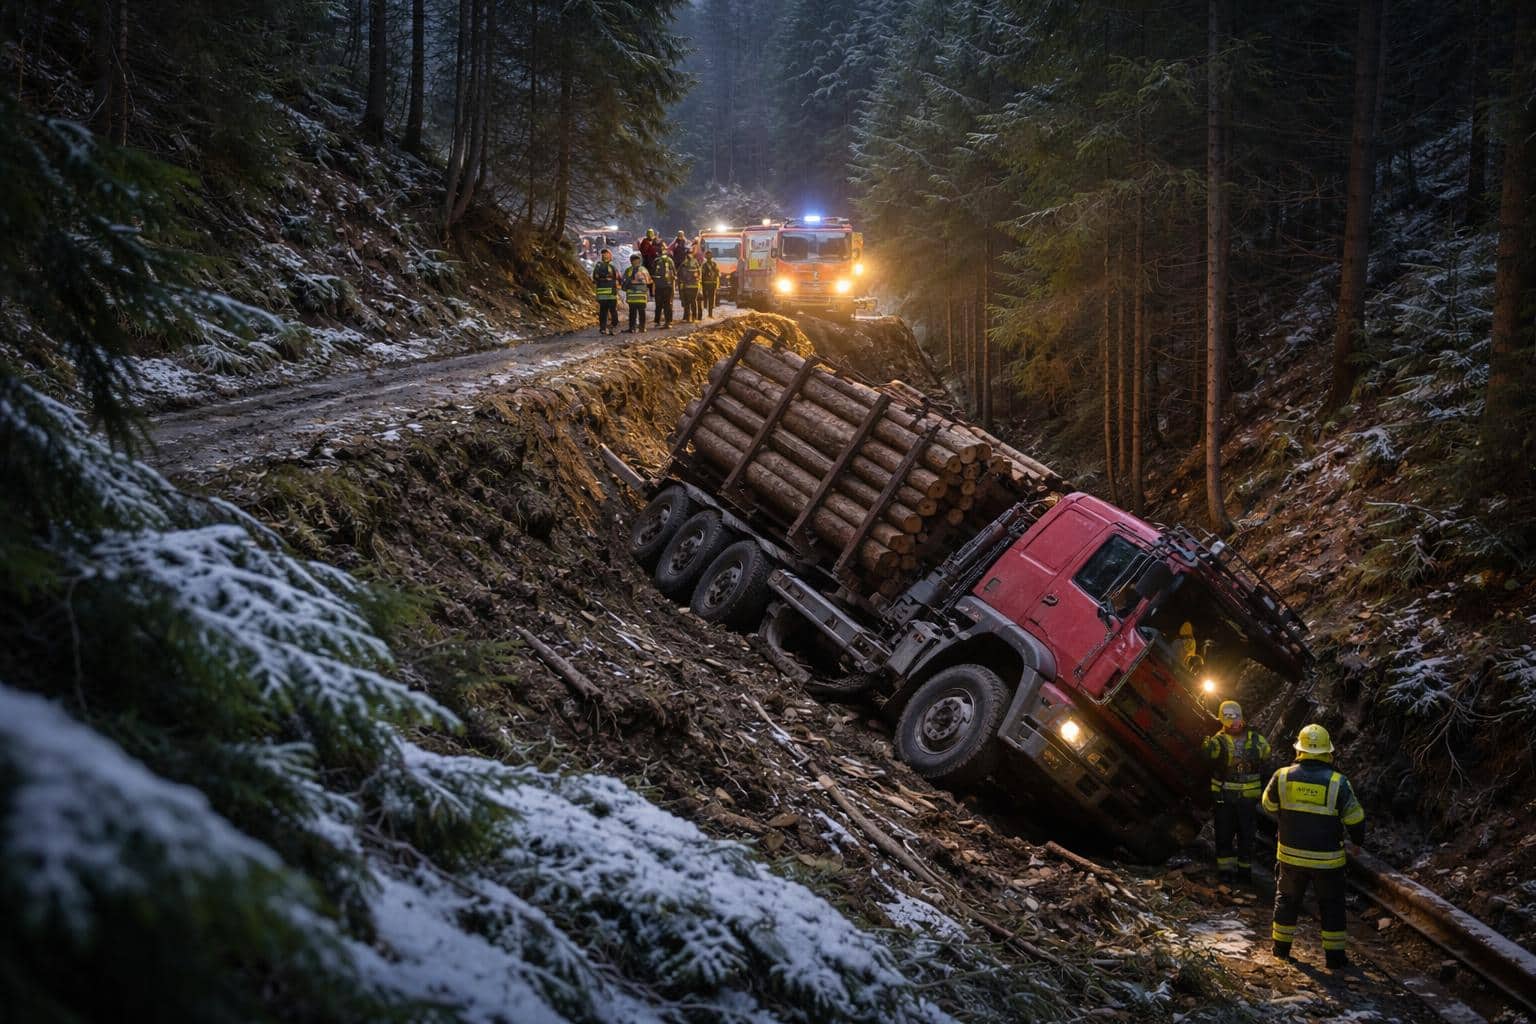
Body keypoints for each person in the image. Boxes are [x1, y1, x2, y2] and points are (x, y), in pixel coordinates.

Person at [1262, 723, 1366, 969]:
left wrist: (1287, 818)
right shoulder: (1338, 782)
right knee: (1331, 906)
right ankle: (1335, 959)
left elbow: (1267, 806)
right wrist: (1358, 842)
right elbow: (1355, 818)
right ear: (1327, 752)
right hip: (1327, 861)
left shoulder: (1282, 775)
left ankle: (1281, 950)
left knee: (1286, 901)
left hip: (1290, 857)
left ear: (1300, 750)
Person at [1201, 701, 1269, 884]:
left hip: (1247, 799)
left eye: (1237, 718)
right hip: (1225, 797)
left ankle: (1244, 872)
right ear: (1223, 720)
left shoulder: (1256, 739)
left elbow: (1266, 754)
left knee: (1246, 837)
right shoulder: (1217, 741)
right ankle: (1225, 871)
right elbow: (1209, 757)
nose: (1235, 723)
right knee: (1224, 835)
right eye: (1230, 719)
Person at [592, 248, 621, 335]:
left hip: (602, 293)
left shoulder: (598, 266)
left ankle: (603, 328)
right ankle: (614, 325)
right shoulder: (612, 267)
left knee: (603, 311)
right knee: (613, 310)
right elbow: (618, 278)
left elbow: (595, 277)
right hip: (611, 293)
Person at [622, 254, 652, 333]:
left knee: (632, 312)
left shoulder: (628, 270)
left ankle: (632, 328)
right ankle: (642, 328)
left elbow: (624, 282)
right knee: (642, 311)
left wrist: (627, 286)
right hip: (642, 295)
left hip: (632, 296)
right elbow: (649, 281)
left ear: (631, 261)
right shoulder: (644, 270)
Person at [652, 245, 676, 327]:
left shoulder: (657, 260)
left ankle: (660, 322)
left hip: (662, 286)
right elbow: (674, 274)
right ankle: (667, 321)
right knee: (666, 304)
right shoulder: (669, 260)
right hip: (666, 286)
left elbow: (653, 274)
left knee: (660, 304)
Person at [677, 248, 701, 323]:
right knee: (693, 302)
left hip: (688, 286)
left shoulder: (684, 263)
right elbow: (699, 274)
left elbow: (679, 275)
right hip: (694, 286)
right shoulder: (696, 262)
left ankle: (688, 318)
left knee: (688, 302)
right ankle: (693, 318)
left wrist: (681, 283)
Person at [700, 250, 720, 318]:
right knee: (706, 299)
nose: (709, 256)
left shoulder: (714, 264)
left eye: (710, 255)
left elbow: (717, 273)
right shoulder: (704, 265)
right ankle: (706, 311)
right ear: (706, 256)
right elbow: (702, 275)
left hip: (713, 283)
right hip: (706, 284)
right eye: (707, 255)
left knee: (711, 299)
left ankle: (710, 314)